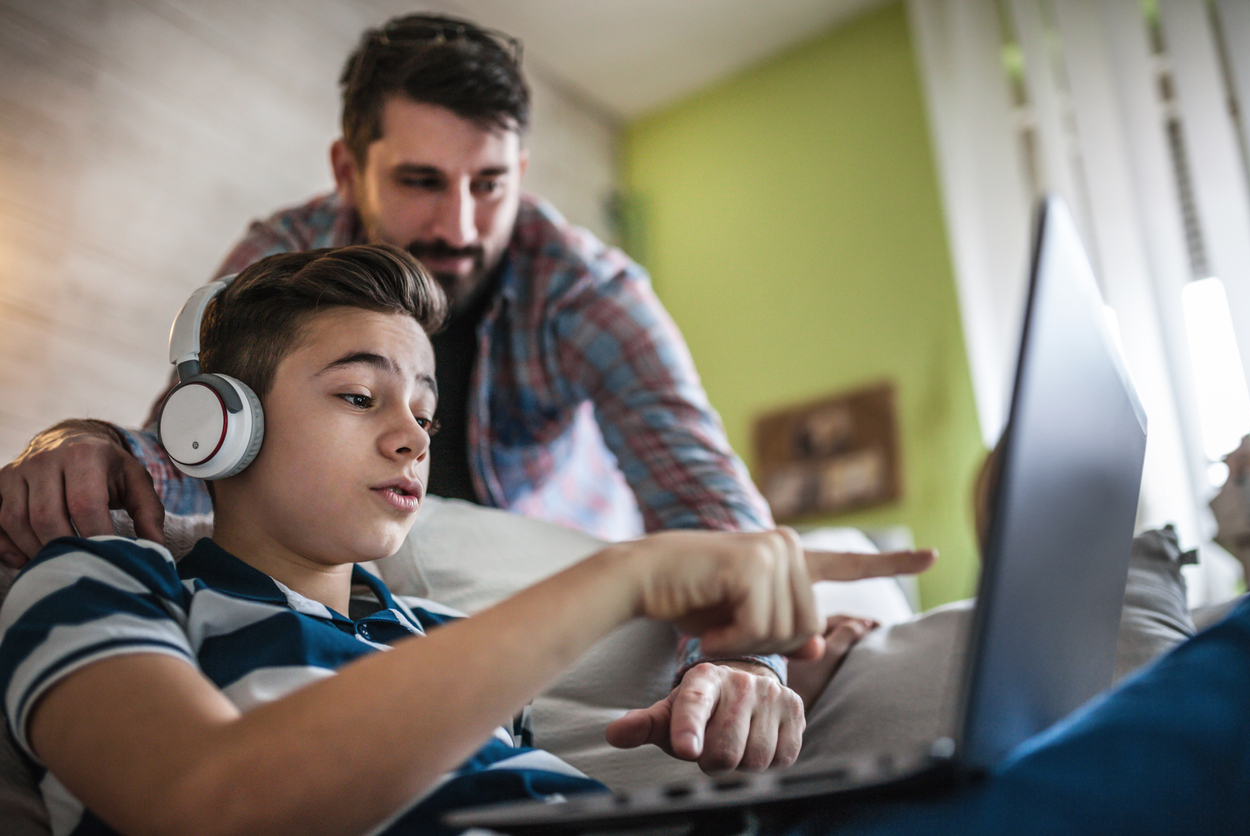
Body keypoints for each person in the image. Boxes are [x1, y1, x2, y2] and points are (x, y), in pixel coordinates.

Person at [0, 11, 818, 774]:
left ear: (522, 172)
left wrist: (740, 656)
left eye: (490, 185)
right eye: (422, 180)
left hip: (530, 561)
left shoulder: (588, 290)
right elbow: (203, 439)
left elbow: (705, 497)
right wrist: (82, 446)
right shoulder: (281, 257)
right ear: (348, 169)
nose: (459, 226)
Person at [0, 245, 931, 836]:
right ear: (216, 426)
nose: (412, 437)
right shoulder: (104, 581)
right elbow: (199, 801)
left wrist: (798, 669)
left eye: (425, 411)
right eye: (360, 397)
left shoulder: (442, 637)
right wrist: (624, 574)